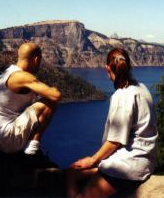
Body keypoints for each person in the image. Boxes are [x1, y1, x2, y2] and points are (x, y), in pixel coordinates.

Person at [66, 47, 158, 198]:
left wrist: (93, 160)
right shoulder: (142, 88)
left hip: (127, 167)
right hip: (144, 162)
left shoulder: (122, 96)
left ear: (107, 68)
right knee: (72, 173)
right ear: (129, 66)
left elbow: (115, 141)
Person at [0, 42, 61, 155]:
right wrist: (54, 89)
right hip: (5, 139)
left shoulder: (8, 72)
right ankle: (32, 149)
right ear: (36, 59)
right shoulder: (22, 76)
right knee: (50, 102)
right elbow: (56, 95)